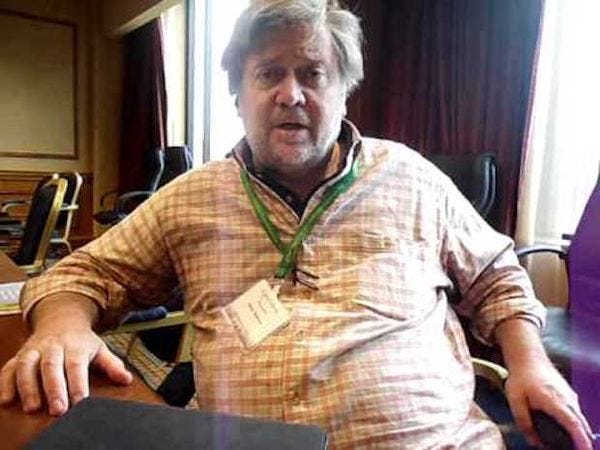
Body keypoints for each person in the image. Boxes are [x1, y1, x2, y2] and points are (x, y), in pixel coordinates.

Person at [0, 1, 593, 448]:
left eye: (313, 74)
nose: (292, 94)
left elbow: (496, 276)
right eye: (268, 74)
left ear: (344, 93)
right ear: (238, 95)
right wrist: (62, 327)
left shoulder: (411, 176)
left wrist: (530, 362)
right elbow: (80, 274)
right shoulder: (192, 197)